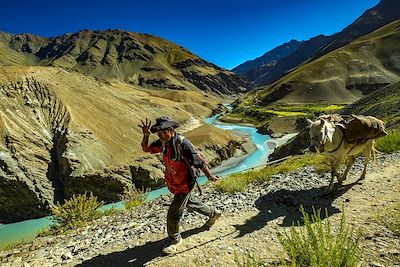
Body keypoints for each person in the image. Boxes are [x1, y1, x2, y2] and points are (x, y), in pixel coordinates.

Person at [139, 116, 221, 254]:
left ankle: (175, 240)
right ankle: (214, 214)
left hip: (185, 184)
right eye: (158, 134)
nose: (160, 136)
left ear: (170, 130)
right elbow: (146, 148)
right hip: (174, 183)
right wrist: (146, 135)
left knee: (173, 213)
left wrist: (209, 176)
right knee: (190, 202)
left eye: (162, 133)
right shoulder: (163, 143)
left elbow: (199, 161)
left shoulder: (183, 144)